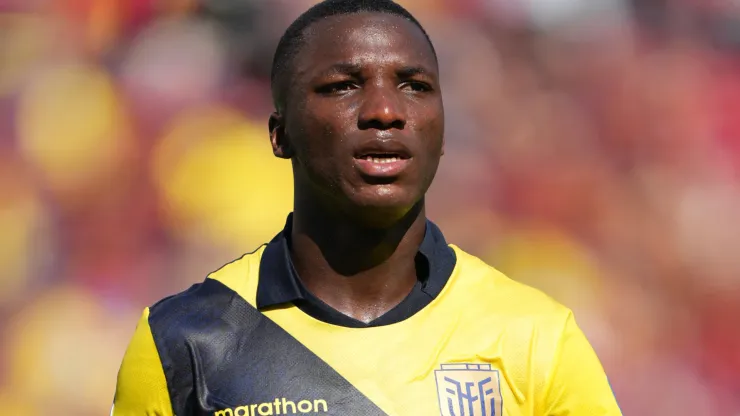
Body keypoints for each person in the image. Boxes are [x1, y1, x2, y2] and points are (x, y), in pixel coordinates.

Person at [111, 0, 622, 415]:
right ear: (279, 133)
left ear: (442, 130)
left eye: (415, 87)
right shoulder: (183, 343)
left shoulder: (536, 338)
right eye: (343, 86)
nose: (385, 111)